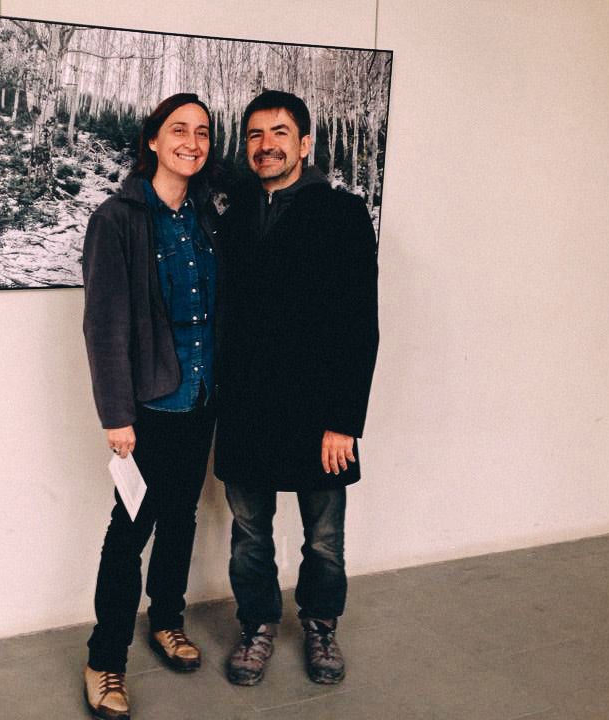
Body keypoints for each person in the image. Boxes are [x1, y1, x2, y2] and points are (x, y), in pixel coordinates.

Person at [214, 90, 379, 687]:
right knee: (249, 535)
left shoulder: (343, 214)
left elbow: (360, 325)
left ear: (304, 143)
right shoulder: (231, 220)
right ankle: (257, 625)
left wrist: (344, 421)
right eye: (255, 135)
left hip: (318, 414)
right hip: (245, 406)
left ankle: (320, 625)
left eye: (279, 133)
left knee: (324, 538)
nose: (266, 145)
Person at [81, 93, 221, 720]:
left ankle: (167, 619)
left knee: (183, 518)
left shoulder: (206, 217)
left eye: (203, 132)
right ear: (155, 141)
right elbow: (104, 325)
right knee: (130, 529)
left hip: (201, 398)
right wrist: (117, 415)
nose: (192, 141)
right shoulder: (119, 217)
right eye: (179, 130)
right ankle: (104, 657)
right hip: (148, 407)